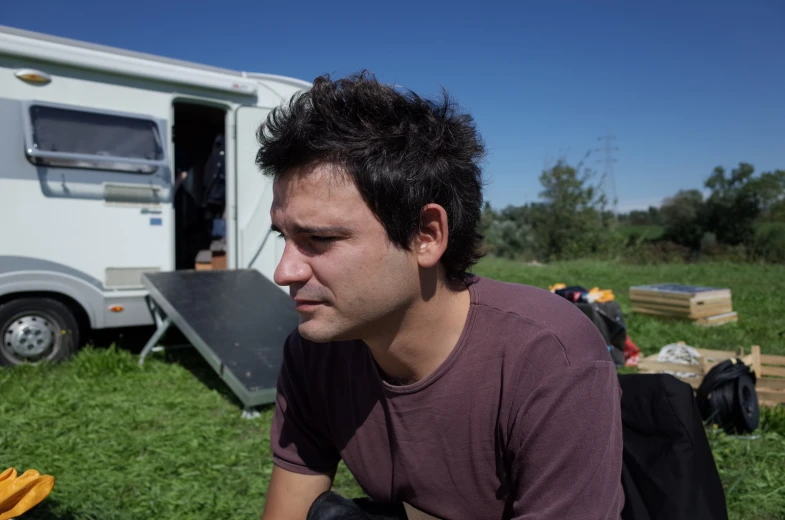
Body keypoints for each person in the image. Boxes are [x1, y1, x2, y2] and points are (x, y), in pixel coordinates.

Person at [257, 71, 624, 520]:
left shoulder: (550, 357)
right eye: (285, 238)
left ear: (426, 235)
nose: (283, 272)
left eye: (319, 239)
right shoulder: (315, 352)